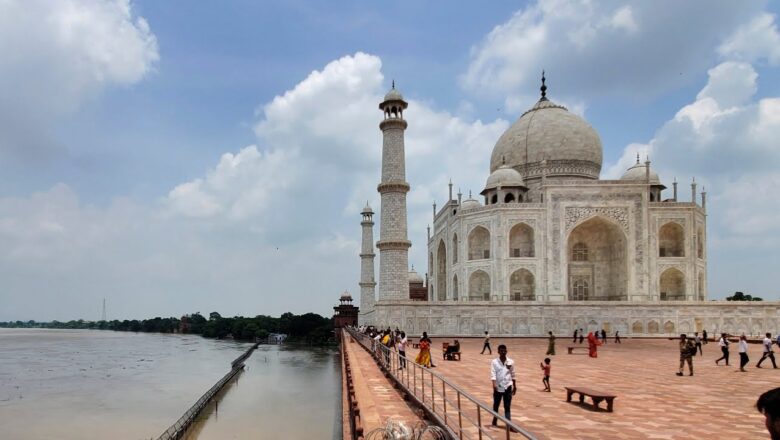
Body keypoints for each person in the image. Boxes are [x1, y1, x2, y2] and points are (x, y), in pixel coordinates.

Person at [490, 344, 516, 427]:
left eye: (504, 350)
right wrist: (494, 384)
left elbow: (513, 373)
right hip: (499, 386)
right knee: (496, 404)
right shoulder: (494, 362)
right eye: (501, 351)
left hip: (508, 385)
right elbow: (493, 373)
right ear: (498, 352)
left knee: (507, 405)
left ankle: (508, 424)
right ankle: (495, 419)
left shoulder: (510, 361)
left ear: (506, 351)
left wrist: (515, 385)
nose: (503, 352)